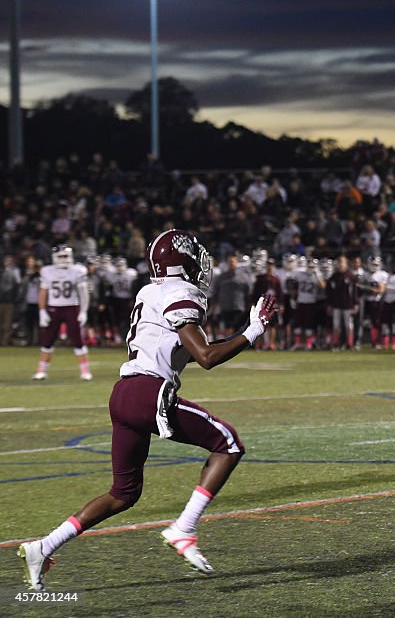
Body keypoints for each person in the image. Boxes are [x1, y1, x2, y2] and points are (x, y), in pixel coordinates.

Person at [18, 229, 278, 591]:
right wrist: (253, 331)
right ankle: (184, 528)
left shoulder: (149, 291)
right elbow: (206, 357)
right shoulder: (182, 293)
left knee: (123, 493)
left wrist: (242, 333)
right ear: (181, 262)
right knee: (229, 444)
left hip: (123, 393)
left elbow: (195, 346)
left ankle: (43, 547)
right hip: (148, 393)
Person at [33, 245, 92, 381]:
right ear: (54, 258)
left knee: (78, 340)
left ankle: (85, 371)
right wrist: (42, 310)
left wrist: (84, 311)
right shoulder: (47, 271)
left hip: (71, 307)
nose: (63, 259)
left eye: (66, 256)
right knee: (47, 340)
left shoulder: (77, 270)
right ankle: (41, 371)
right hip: (54, 307)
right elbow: (43, 292)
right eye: (60, 256)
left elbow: (83, 294)